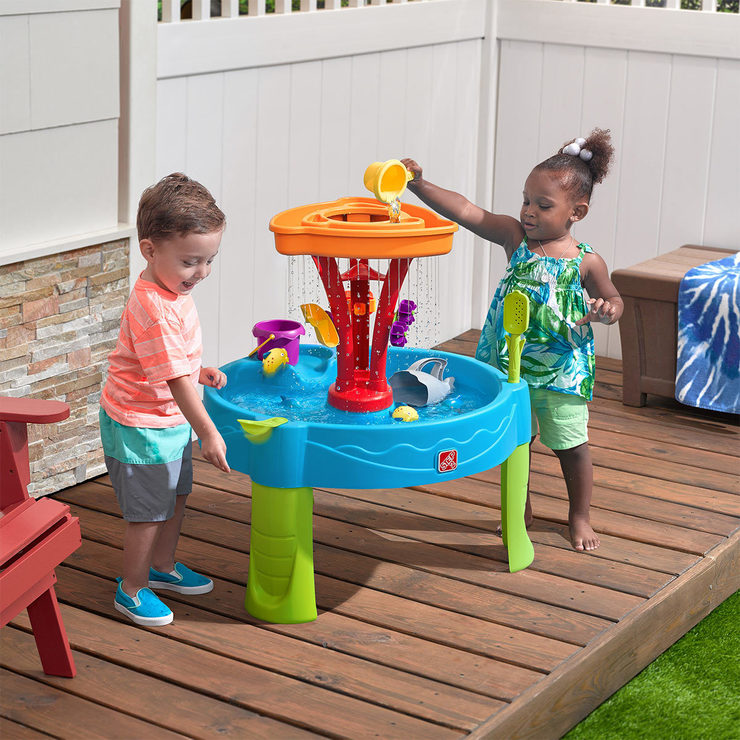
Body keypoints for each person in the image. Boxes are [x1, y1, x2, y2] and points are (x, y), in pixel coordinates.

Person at [402, 129, 623, 552]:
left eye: (543, 205)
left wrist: (608, 310)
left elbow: (612, 299)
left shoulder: (586, 261)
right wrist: (417, 184)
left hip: (562, 372)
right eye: (526, 200)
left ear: (578, 211)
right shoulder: (516, 240)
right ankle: (518, 506)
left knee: (571, 447)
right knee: (515, 440)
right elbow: (466, 210)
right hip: (511, 365)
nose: (529, 211)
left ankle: (579, 515)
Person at [99, 173, 231, 626]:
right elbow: (170, 375)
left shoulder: (171, 286)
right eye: (192, 261)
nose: (202, 273)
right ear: (150, 249)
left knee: (175, 498)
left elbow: (174, 364)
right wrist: (209, 432)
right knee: (147, 512)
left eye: (210, 260)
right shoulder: (154, 308)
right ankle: (131, 589)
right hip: (141, 425)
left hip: (167, 418)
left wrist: (198, 368)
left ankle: (162, 568)